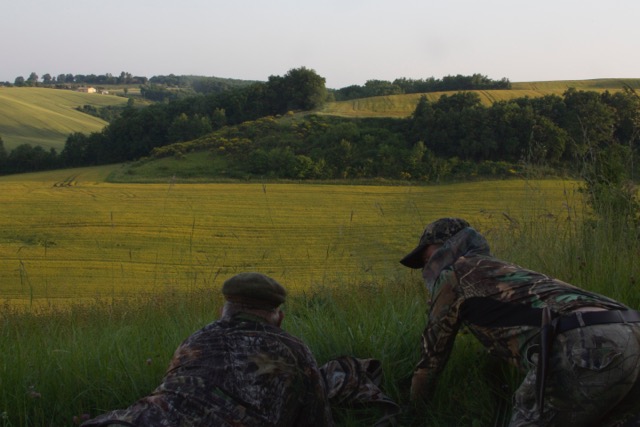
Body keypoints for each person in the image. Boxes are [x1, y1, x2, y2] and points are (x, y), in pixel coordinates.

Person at [400, 217, 640, 426]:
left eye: (427, 257)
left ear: (447, 247)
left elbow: (431, 358)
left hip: (585, 342)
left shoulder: (453, 274)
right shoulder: (505, 272)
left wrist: (414, 414)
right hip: (630, 328)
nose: (426, 265)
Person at [82, 272, 334, 427]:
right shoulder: (296, 350)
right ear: (278, 318)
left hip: (146, 419)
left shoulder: (196, 339)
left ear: (222, 312)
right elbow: (316, 419)